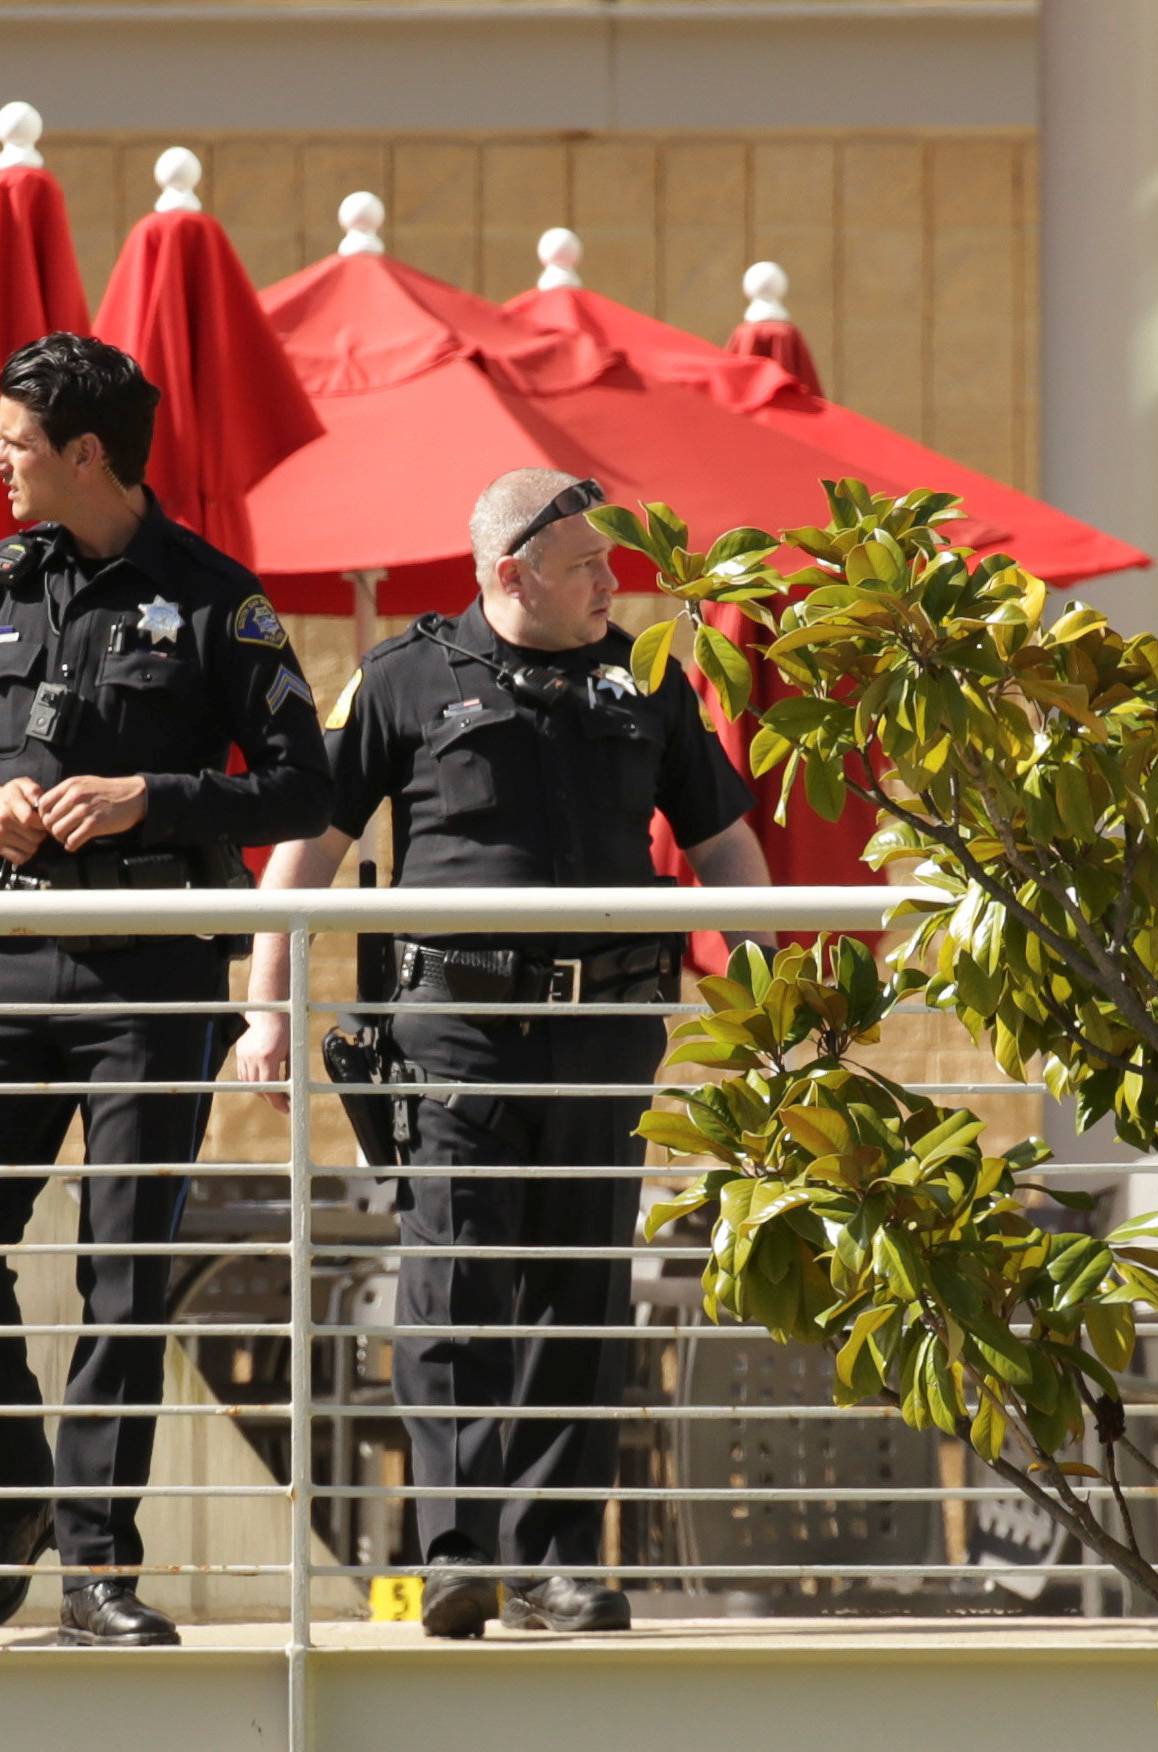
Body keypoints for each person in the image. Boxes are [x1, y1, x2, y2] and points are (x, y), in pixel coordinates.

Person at [236, 467, 769, 1640]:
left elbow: (726, 844)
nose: (612, 580)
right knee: (453, 1284)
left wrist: (767, 983)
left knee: (578, 1293)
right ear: (509, 572)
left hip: (607, 1031)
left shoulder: (651, 677)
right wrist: (266, 1006)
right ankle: (457, 1552)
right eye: (588, 564)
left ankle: (556, 1559)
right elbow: (305, 850)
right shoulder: (403, 678)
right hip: (456, 1031)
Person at [0, 333, 332, 1646]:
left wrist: (154, 794)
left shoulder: (216, 599)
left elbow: (303, 785)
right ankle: (13, 1510)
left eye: (16, 440)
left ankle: (101, 1565)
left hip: (151, 971)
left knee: (121, 1268)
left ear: (85, 454)